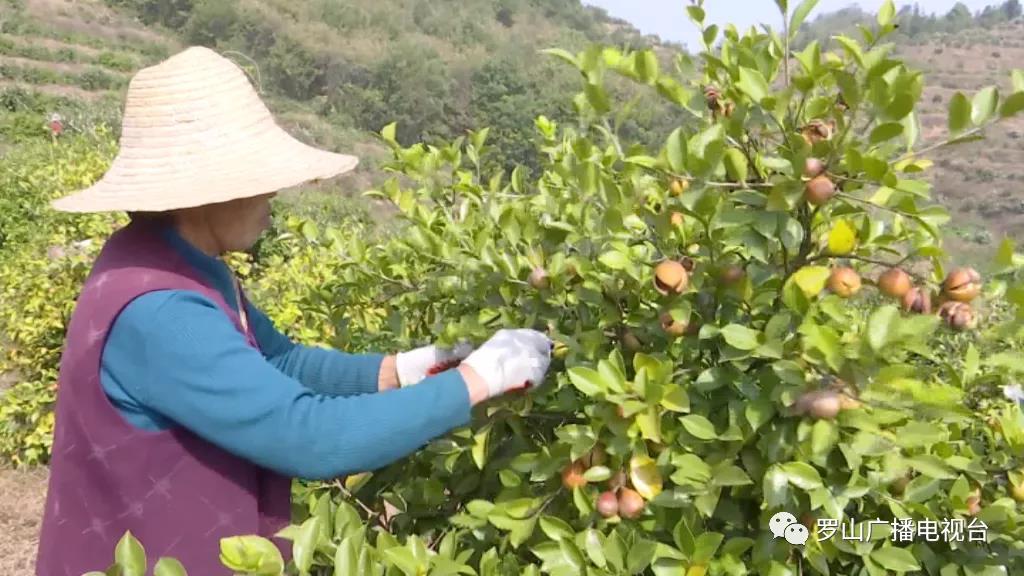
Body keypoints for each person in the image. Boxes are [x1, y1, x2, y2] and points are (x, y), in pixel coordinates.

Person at [35, 46, 553, 575]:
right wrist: (474, 382)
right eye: (258, 178)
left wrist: (405, 368)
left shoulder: (180, 264)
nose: (274, 193)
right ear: (203, 191)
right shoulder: (162, 310)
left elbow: (279, 363)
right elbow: (309, 436)